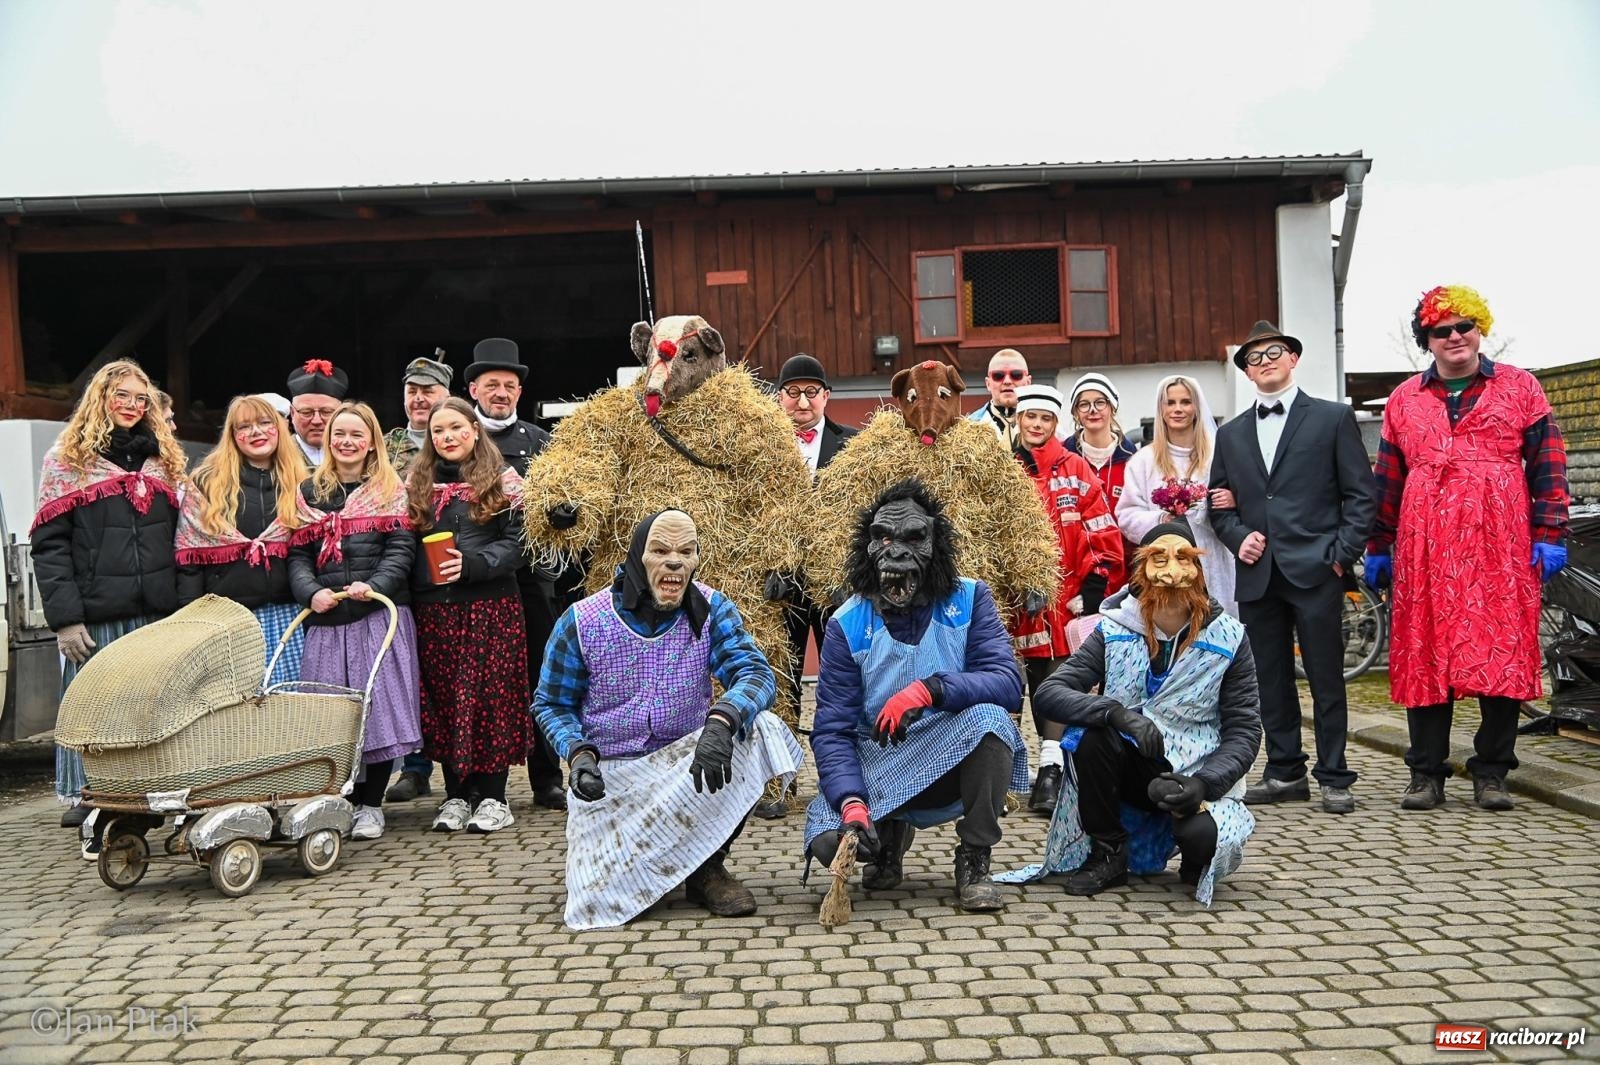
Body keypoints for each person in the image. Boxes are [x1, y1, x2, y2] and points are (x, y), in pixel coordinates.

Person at [532, 509, 804, 929]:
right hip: (610, 776)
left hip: (686, 766)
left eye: (686, 551)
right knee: (599, 909)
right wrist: (578, 754)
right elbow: (551, 703)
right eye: (660, 551)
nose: (674, 562)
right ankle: (642, 862)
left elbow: (754, 672)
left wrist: (723, 721)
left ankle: (706, 869)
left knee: (764, 728)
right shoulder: (583, 621)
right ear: (638, 558)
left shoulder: (711, 608)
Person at [1367, 285, 1569, 812]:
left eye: (1465, 326)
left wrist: (1549, 533)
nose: (1455, 336)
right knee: (1425, 651)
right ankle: (1426, 773)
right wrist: (1378, 543)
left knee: (1500, 647)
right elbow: (1387, 477)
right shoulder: (1403, 399)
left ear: (1481, 329)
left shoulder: (1522, 388)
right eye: (1442, 330)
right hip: (1424, 544)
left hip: (1500, 541)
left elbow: (1549, 465)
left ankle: (1493, 772)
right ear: (1426, 341)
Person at [805, 480, 1029, 913]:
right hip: (880, 758)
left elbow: (1007, 681)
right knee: (827, 843)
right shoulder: (846, 622)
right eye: (883, 539)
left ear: (936, 545)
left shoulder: (970, 598)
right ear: (865, 548)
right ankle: (886, 833)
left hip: (951, 752)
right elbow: (831, 730)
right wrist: (850, 801)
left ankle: (975, 858)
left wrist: (931, 689)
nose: (896, 553)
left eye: (913, 539)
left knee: (992, 720)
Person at [1022, 522, 1261, 904]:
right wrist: (1114, 713)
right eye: (1159, 560)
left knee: (1203, 840)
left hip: (1195, 771)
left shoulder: (1229, 637)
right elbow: (1051, 692)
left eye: (1183, 559)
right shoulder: (1113, 629)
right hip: (1131, 766)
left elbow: (1245, 729)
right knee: (1093, 734)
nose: (1171, 573)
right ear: (1140, 573)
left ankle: (1193, 855)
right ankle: (1109, 851)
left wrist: (1206, 782)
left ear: (1198, 570)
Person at [1209, 321, 1375, 815]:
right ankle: (1284, 772)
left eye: (1273, 353)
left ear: (1293, 358)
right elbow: (1220, 506)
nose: (1264, 363)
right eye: (1253, 359)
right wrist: (1240, 538)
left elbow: (1360, 496)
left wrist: (1340, 555)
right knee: (1269, 679)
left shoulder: (1332, 418)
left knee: (1326, 676)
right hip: (1259, 575)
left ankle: (1334, 774)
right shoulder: (1232, 433)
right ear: (1246, 372)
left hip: (1317, 569)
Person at [32, 359, 184, 837]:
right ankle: (88, 796)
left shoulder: (166, 459)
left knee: (151, 707)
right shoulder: (66, 461)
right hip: (97, 614)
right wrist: (65, 619)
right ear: (101, 398)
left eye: (141, 399)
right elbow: (50, 547)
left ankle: (149, 792)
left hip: (157, 611)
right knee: (94, 709)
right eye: (122, 396)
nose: (132, 406)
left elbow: (184, 537)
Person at [289, 401, 422, 841]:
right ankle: (340, 799)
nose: (347, 442)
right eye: (339, 434)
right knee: (332, 715)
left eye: (356, 435)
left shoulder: (390, 489)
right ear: (329, 441)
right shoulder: (308, 492)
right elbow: (297, 555)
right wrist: (312, 591)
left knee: (376, 709)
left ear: (371, 443)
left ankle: (370, 804)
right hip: (328, 621)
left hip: (376, 616)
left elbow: (401, 550)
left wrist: (375, 584)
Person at [406, 398, 530, 834]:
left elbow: (518, 542)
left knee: (489, 700)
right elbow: (403, 547)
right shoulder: (416, 485)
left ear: (474, 430)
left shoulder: (503, 481)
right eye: (438, 431)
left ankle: (494, 797)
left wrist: (475, 565)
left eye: (456, 428)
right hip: (436, 611)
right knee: (446, 701)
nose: (447, 437)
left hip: (490, 606)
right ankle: (456, 795)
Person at [1007, 384, 1124, 813]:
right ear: (1018, 420)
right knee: (1004, 687)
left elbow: (1103, 530)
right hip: (1011, 603)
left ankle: (1051, 772)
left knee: (1051, 684)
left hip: (1061, 602)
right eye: (1029, 417)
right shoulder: (1003, 469)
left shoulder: (1075, 467)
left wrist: (1091, 594)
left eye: (1045, 418)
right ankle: (1002, 776)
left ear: (1057, 423)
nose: (1036, 425)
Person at [175, 395, 311, 686]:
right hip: (228, 619)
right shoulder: (206, 483)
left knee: (290, 707)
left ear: (280, 427)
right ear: (233, 435)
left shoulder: (302, 483)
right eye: (244, 426)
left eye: (265, 423)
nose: (256, 432)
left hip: (290, 617)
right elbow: (190, 558)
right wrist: (190, 621)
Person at [773, 353, 859, 777]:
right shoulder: (763, 449)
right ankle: (783, 777)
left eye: (811, 392)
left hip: (837, 586)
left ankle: (840, 773)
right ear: (779, 397)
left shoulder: (855, 445)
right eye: (793, 393)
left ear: (826, 396)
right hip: (780, 585)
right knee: (781, 679)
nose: (802, 402)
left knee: (840, 677)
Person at [1117, 375, 1236, 616]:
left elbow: (1243, 500)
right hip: (1164, 563)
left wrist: (1232, 501)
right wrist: (1161, 520)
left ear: (1197, 407)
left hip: (1213, 559)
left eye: (1185, 402)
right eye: (1170, 402)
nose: (1178, 409)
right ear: (1161, 409)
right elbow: (1126, 515)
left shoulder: (1219, 455)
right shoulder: (1143, 461)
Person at [1063, 371, 1140, 565]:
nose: (1092, 410)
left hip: (1125, 568)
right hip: (1076, 568)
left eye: (1100, 402)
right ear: (1075, 413)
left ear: (1112, 408)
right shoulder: (1063, 460)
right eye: (1084, 404)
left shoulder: (1134, 461)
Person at [385, 351, 453, 476]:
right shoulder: (384, 448)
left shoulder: (460, 443)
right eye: (412, 392)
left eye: (427, 391)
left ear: (447, 398)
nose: (418, 398)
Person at [285, 359, 350, 466]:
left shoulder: (360, 454)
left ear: (341, 412)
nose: (316, 421)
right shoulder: (277, 453)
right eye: (306, 412)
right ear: (292, 413)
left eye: (326, 412)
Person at [966, 349, 1031, 447]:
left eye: (1016, 375)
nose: (1007, 381)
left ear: (1028, 382)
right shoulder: (968, 428)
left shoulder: (1049, 429)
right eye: (998, 375)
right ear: (988, 384)